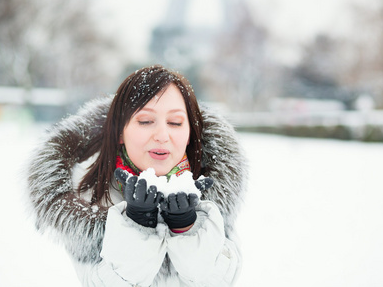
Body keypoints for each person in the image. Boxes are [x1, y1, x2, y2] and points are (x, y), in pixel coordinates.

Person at [26, 65, 248, 286]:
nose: (162, 135)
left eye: (175, 123)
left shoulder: (212, 189)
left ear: (190, 133)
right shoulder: (88, 194)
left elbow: (220, 278)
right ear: (120, 132)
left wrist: (187, 226)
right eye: (145, 121)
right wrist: (136, 224)